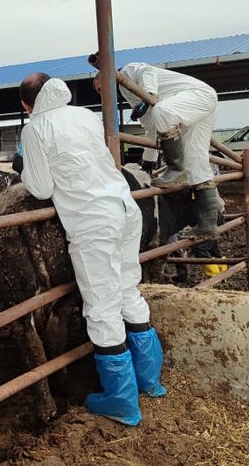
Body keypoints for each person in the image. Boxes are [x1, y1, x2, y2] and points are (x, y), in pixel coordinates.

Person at [12, 73, 166, 427]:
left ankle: (121, 400)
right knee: (128, 290)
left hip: (92, 221)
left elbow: (39, 186)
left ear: (25, 104)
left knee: (101, 306)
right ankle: (150, 382)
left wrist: (23, 168)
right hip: (125, 209)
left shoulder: (35, 128)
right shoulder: (85, 115)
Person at [118, 62, 220, 239]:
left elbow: (146, 70)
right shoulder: (126, 93)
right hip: (198, 103)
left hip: (197, 94)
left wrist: (149, 94)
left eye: (99, 86)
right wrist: (148, 161)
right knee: (196, 160)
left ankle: (175, 169)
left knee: (162, 111)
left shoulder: (126, 71)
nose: (100, 91)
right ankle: (208, 224)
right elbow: (152, 127)